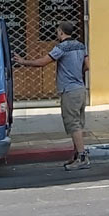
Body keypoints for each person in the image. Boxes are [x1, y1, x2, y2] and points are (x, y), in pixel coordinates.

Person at [20, 20, 90, 170]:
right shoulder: (81, 45)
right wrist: (78, 73)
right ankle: (77, 154)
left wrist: (23, 61)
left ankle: (82, 157)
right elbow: (88, 65)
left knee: (73, 125)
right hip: (80, 89)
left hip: (69, 91)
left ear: (61, 32)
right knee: (78, 124)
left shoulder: (62, 47)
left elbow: (42, 62)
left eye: (58, 31)